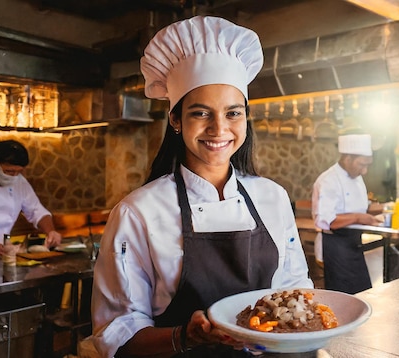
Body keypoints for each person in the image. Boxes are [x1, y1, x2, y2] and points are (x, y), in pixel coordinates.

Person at [90, 16, 313, 357]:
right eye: (201, 113)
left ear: (245, 118)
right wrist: (187, 337)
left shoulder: (273, 197)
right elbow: (117, 332)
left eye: (233, 113)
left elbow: (295, 288)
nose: (219, 128)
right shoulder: (139, 211)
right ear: (176, 120)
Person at [0, 139, 62, 258]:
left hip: (1, 253)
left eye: (18, 172)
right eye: (9, 171)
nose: (14, 176)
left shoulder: (20, 183)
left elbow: (37, 211)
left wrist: (51, 231)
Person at [311, 133, 384, 294]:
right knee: (344, 297)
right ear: (347, 158)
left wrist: (385, 208)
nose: (364, 171)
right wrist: (360, 218)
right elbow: (326, 220)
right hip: (336, 247)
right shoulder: (328, 180)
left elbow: (359, 205)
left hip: (353, 244)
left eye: (368, 165)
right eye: (362, 164)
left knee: (364, 295)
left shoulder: (356, 177)